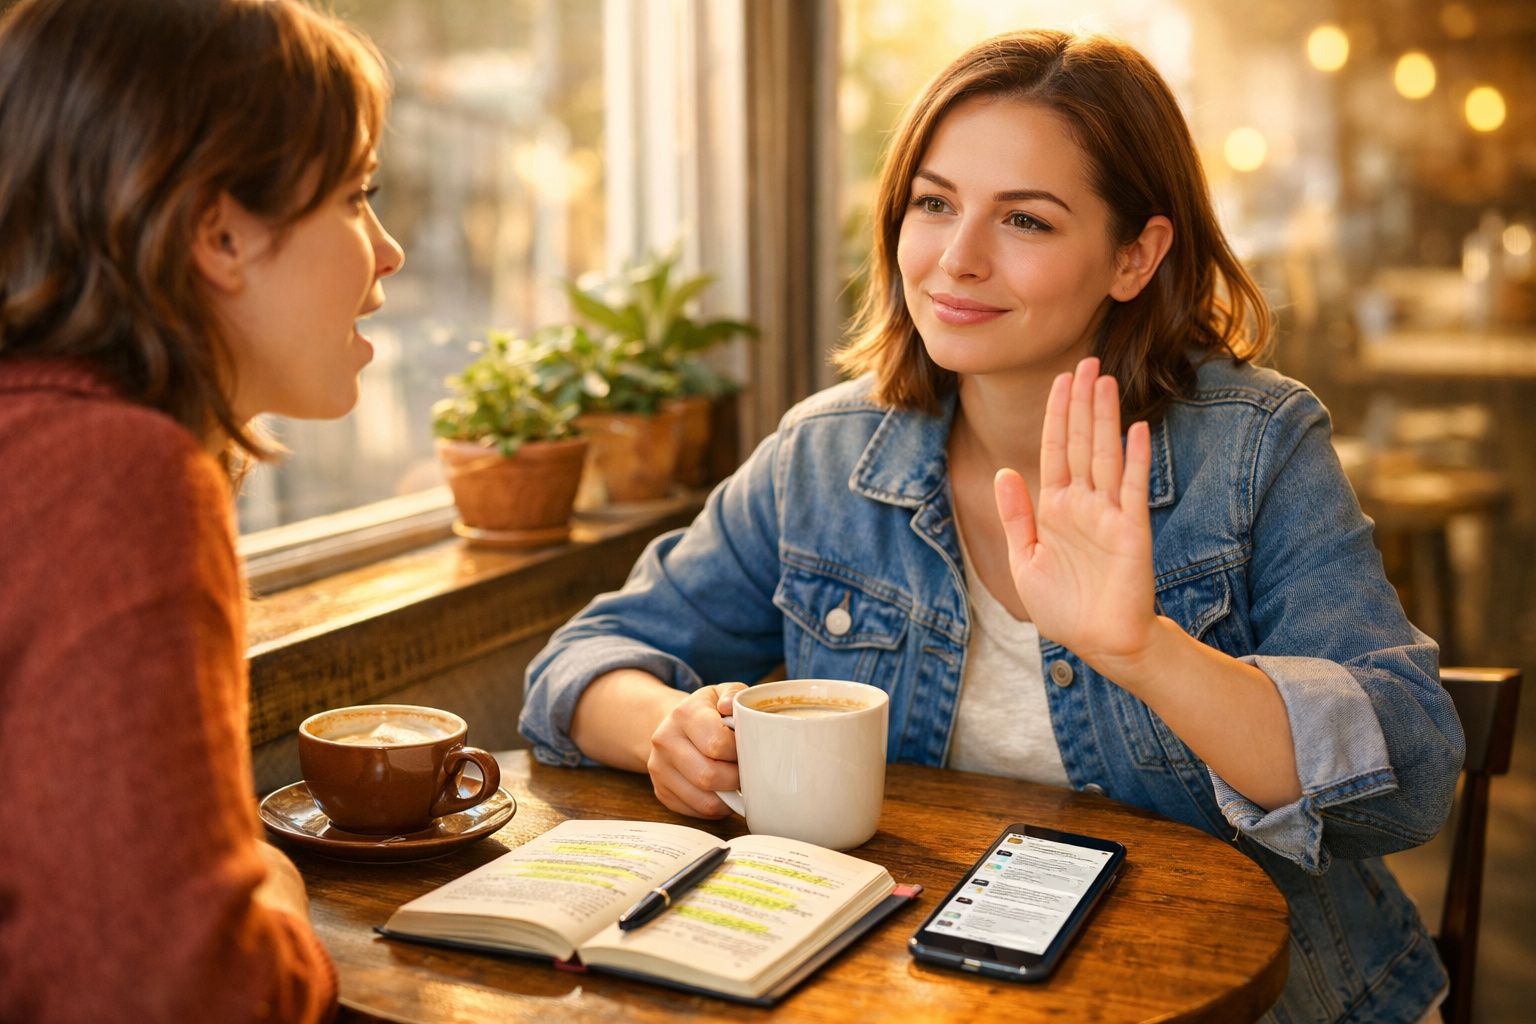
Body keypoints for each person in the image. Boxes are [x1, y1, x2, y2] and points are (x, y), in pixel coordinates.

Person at [522, 28, 1464, 1024]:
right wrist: (666, 731)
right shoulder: (827, 457)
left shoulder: (1256, 449)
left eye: (1025, 219)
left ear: (1135, 254)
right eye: (934, 204)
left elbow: (1411, 774)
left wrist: (1143, 651)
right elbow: (579, 667)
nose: (957, 260)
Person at [0, 0, 404, 1020]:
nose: (388, 251)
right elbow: (184, 989)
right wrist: (272, 899)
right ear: (218, 231)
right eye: (357, 196)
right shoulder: (117, 475)